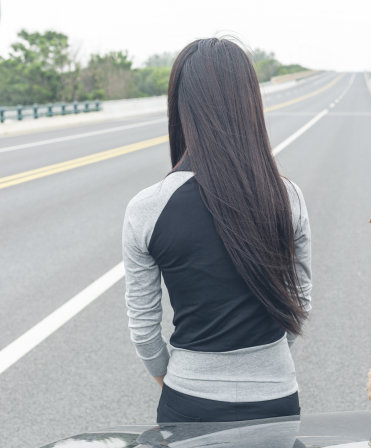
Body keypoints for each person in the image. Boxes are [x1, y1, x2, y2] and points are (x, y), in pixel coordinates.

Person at [121, 37, 312, 423]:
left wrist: (172, 377)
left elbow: (144, 330)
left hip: (189, 400)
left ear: (181, 107)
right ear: (250, 105)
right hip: (276, 398)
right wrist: (267, 364)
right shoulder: (287, 197)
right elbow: (301, 302)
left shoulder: (147, 208)